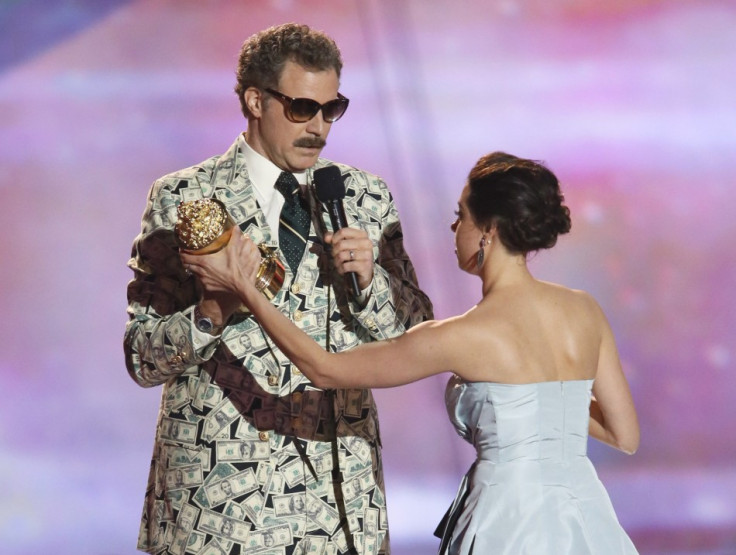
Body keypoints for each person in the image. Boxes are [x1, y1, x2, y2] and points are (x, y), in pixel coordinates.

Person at [183, 151, 641, 554]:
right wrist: (543, 414)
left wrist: (245, 285)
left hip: (508, 525)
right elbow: (625, 436)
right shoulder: (585, 310)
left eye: (461, 215)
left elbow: (323, 370)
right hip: (585, 521)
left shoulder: (463, 336)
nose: (453, 226)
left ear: (490, 231)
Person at [124, 23, 433, 555]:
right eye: (302, 109)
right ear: (254, 100)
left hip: (337, 507)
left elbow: (416, 332)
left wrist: (370, 280)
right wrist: (213, 311)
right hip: (215, 509)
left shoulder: (365, 196)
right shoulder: (184, 196)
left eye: (331, 110)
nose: (318, 127)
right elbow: (142, 357)